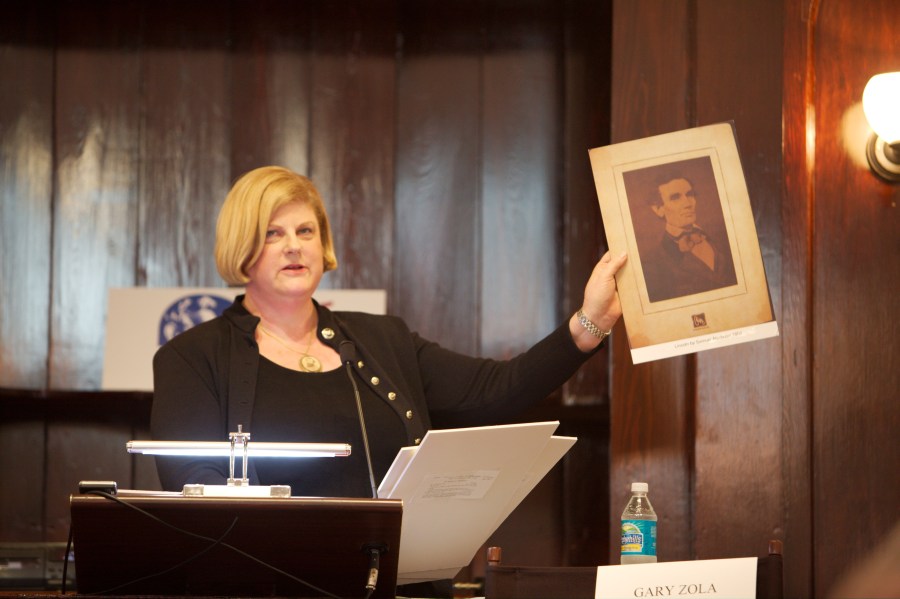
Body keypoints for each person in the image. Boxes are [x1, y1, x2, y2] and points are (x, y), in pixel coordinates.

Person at [150, 165, 626, 499]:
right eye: (273, 233)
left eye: (306, 231)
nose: (293, 246)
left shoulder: (384, 341)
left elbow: (495, 390)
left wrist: (591, 324)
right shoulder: (193, 358)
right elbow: (196, 488)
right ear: (243, 244)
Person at [639, 172, 737, 302]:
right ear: (658, 209)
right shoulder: (651, 262)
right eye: (675, 198)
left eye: (690, 195)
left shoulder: (724, 238)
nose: (688, 203)